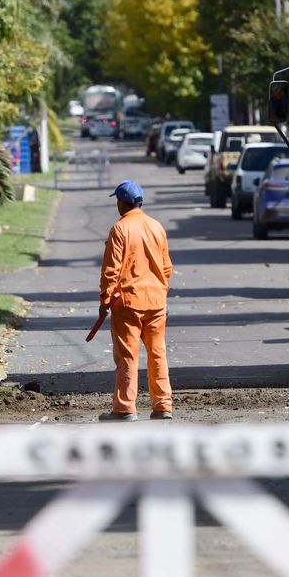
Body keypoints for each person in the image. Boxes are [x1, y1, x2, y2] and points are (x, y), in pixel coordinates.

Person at [99, 179, 174, 421]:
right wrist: (161, 291)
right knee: (157, 353)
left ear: (122, 202)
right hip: (156, 302)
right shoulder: (156, 227)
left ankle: (124, 408)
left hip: (128, 303)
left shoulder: (120, 229)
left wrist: (105, 300)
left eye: (118, 201)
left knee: (128, 356)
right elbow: (166, 267)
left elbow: (111, 270)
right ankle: (163, 406)